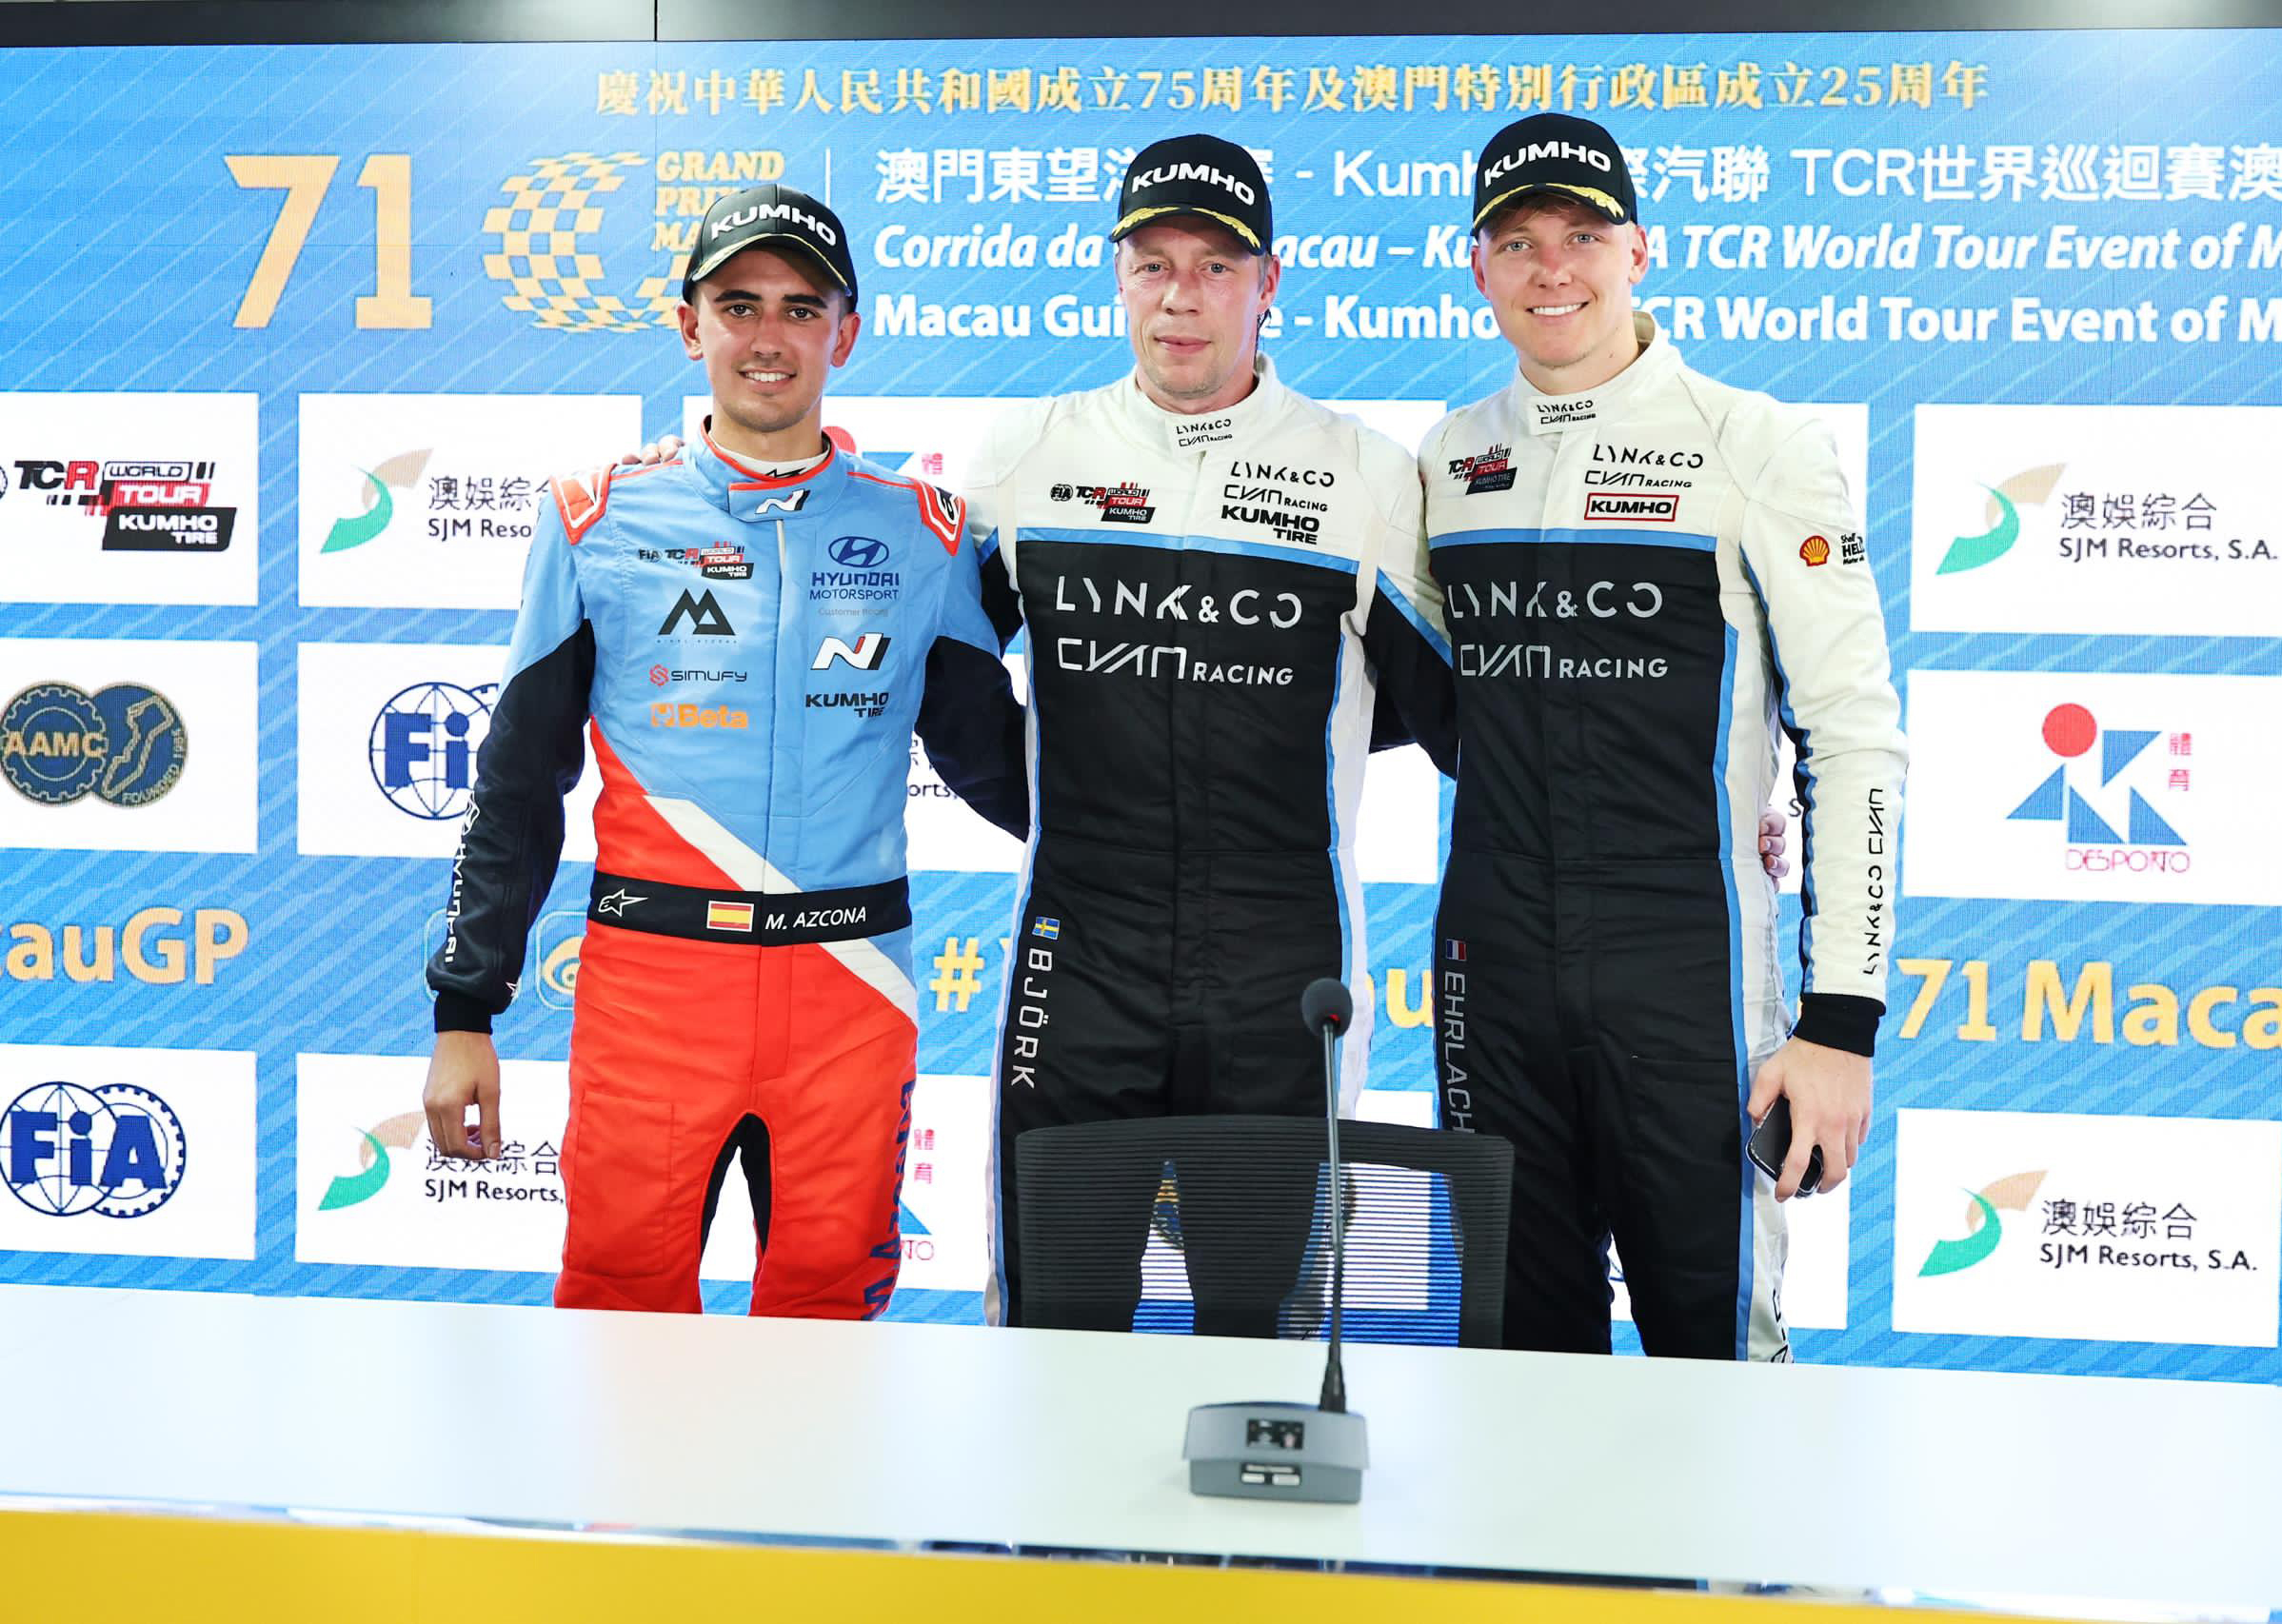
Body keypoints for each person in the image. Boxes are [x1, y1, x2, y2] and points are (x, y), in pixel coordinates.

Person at [423, 184, 1026, 1318]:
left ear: (847, 333)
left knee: (829, 1322)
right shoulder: (594, 517)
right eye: (738, 305)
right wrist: (465, 1008)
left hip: (851, 982)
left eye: (802, 308)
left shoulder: (926, 531)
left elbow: (998, 766)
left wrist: (1163, 843)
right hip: (654, 985)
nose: (768, 337)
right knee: (618, 1315)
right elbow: (518, 781)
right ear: (689, 325)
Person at [1420, 114, 1908, 1360]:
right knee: (1516, 1367)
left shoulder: (1756, 443)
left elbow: (1853, 736)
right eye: (1517, 242)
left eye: (1582, 236)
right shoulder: (1448, 456)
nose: (1552, 269)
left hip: (1689, 972)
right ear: (1477, 267)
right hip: (1492, 975)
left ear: (1640, 251)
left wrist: (1840, 1022)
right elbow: (1426, 699)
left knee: (1718, 1361)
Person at [959, 135, 1459, 1335]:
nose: (1180, 297)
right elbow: (946, 688)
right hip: (1079, 956)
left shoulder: (1362, 473)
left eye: (1215, 266)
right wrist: (1070, 815)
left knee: (1265, 1329)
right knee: (1054, 1322)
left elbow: (1466, 714)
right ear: (1118, 277)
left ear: (1267, 282)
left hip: (1282, 962)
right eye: (1153, 265)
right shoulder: (1028, 456)